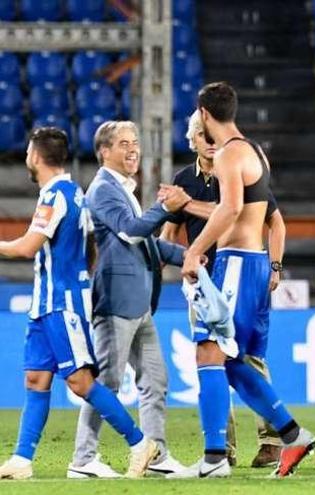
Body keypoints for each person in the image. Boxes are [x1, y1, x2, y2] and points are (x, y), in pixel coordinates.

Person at [173, 82, 315, 478]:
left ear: (204, 113)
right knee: (232, 362)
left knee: (209, 351)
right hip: (253, 263)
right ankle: (292, 435)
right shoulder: (254, 151)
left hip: (236, 263)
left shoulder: (229, 154)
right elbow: (263, 213)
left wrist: (193, 249)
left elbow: (230, 209)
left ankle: (215, 458)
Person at [0, 127, 158, 480]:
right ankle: (22, 460)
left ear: (37, 157)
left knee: (80, 381)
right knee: (36, 378)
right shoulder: (75, 194)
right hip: (45, 305)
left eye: (28, 153)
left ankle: (138, 443)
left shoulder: (56, 196)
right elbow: (92, 249)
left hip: (60, 304)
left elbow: (27, 247)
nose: (27, 158)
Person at [160, 109, 286, 468]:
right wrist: (178, 259)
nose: (210, 142)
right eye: (202, 136)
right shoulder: (184, 179)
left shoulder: (240, 166)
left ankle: (274, 437)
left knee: (247, 358)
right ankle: (224, 446)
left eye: (210, 134)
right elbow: (168, 235)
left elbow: (275, 224)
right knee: (212, 360)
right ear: (193, 141)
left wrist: (274, 265)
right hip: (203, 284)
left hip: (240, 275)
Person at [70, 120, 189, 478]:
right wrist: (165, 207)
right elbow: (132, 231)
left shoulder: (123, 188)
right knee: (106, 381)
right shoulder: (103, 189)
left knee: (155, 380)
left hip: (139, 304)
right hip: (116, 301)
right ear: (104, 151)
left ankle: (155, 456)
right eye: (123, 143)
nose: (133, 148)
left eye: (135, 142)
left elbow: (148, 243)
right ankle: (83, 459)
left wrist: (191, 254)